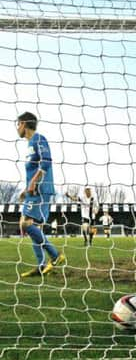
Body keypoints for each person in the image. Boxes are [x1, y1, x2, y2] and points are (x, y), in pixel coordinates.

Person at [16, 112, 65, 277]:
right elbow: (34, 169)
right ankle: (41, 266)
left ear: (24, 124)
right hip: (32, 191)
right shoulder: (29, 144)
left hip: (40, 189)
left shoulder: (38, 139)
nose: (17, 128)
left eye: (18, 124)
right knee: (30, 226)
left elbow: (46, 161)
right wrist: (26, 189)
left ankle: (55, 255)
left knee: (26, 224)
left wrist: (34, 182)